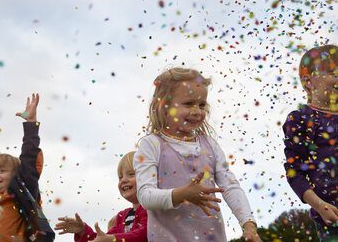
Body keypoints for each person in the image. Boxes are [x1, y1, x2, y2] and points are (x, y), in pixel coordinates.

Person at [133, 67, 259, 242]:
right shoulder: (151, 145)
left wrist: (248, 223)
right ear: (162, 106)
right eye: (188, 104)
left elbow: (230, 186)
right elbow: (145, 196)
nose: (197, 111)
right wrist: (182, 194)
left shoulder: (210, 145)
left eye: (201, 105)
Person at [0, 93, 55, 242]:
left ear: (16, 177)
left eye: (2, 171)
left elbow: (28, 159)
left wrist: (31, 123)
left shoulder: (19, 192)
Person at [283, 44, 338, 241]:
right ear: (308, 80)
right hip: (332, 219)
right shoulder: (302, 119)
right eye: (335, 74)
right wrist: (319, 205)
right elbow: (295, 172)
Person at [55, 151, 147, 242]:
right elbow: (102, 239)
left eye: (131, 174)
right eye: (120, 177)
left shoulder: (151, 209)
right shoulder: (121, 216)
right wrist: (83, 231)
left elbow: (144, 234)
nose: (123, 180)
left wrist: (113, 239)